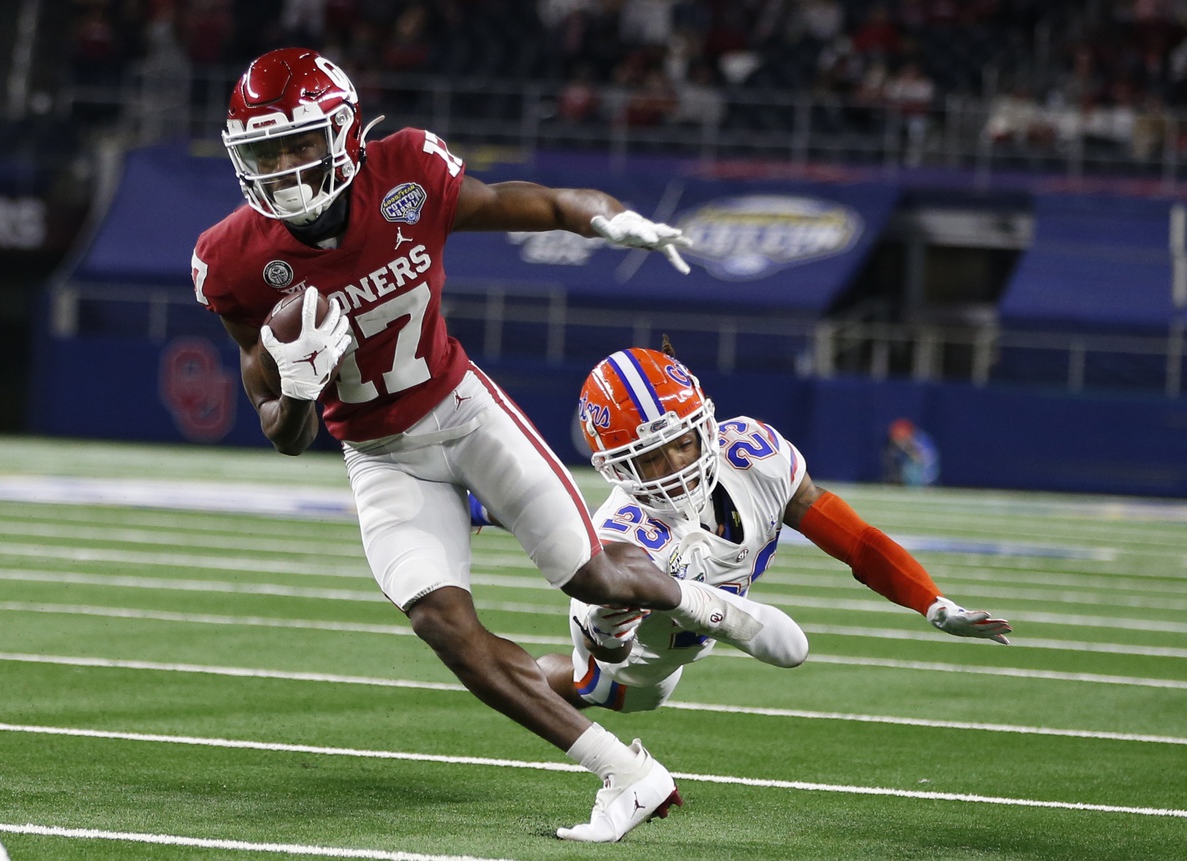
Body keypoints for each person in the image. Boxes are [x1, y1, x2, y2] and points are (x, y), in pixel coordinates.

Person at [189, 47, 808, 844]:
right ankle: (628, 774)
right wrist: (301, 389)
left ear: (342, 133)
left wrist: (606, 218)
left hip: (462, 409)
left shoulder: (407, 172)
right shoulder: (234, 260)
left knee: (594, 573)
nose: (281, 167)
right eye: (263, 152)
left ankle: (710, 605)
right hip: (380, 454)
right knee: (442, 623)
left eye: (297, 144)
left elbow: (537, 203)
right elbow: (282, 430)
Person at [522, 340, 1008, 714]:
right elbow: (611, 643)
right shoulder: (619, 535)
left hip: (704, 616)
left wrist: (930, 600)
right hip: (646, 650)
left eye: (684, 442)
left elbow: (856, 542)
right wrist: (605, 636)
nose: (675, 465)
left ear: (705, 425)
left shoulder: (755, 455)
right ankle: (517, 679)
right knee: (609, 690)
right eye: (649, 457)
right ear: (617, 468)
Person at [884, 418, 940, 487]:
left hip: (925, 478)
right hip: (917, 478)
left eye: (900, 439)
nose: (897, 442)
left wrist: (908, 450)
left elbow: (921, 460)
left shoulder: (919, 442)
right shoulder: (915, 439)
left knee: (912, 467)